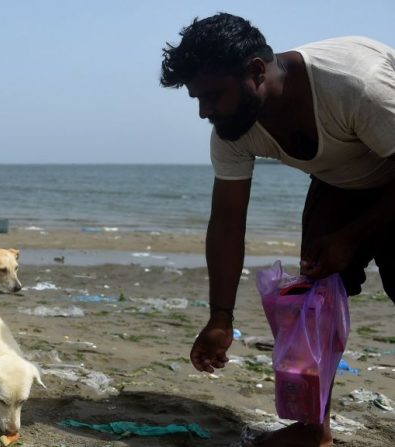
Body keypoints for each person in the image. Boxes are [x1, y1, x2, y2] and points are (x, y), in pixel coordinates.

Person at [160, 12, 395, 447]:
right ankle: (313, 429)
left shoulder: (356, 85)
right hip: (343, 181)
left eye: (212, 96)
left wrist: (350, 238)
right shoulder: (231, 131)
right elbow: (228, 221)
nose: (203, 112)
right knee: (311, 300)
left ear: (255, 71)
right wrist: (220, 317)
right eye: (197, 99)